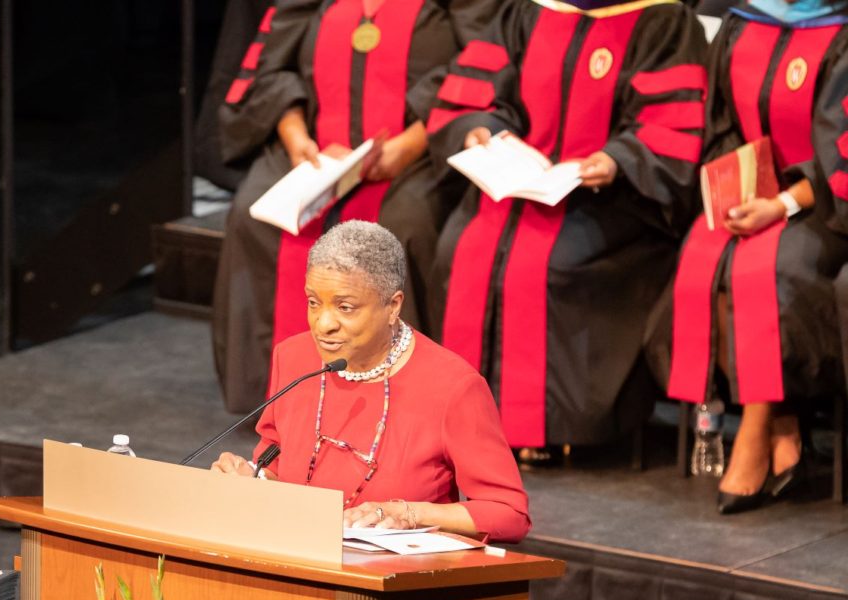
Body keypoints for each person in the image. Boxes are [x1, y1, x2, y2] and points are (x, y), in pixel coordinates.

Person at [423, 0, 708, 465]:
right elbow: (481, 94)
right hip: (519, 183)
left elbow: (672, 124)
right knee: (462, 246)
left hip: (612, 200)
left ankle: (547, 427)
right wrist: (481, 128)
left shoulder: (662, 19)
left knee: (558, 262)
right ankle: (465, 423)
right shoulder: (527, 10)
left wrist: (618, 158)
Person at [212, 0, 500, 413]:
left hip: (416, 152)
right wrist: (295, 137)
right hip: (315, 149)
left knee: (404, 225)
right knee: (253, 215)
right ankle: (279, 401)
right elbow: (271, 68)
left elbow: (480, 64)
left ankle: (404, 404)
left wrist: (412, 143)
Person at [211, 220, 531, 543]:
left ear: (393, 306)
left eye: (345, 307)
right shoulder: (293, 358)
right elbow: (274, 465)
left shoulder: (453, 387)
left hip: (395, 578)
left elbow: (509, 512)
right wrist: (251, 479)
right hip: (299, 560)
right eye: (313, 302)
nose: (323, 324)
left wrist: (408, 514)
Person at [650, 0, 848, 513]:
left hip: (824, 210)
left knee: (775, 267)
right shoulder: (745, 21)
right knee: (705, 253)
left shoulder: (840, 32)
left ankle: (756, 430)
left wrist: (782, 203)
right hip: (756, 198)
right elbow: (720, 124)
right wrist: (736, 192)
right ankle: (785, 429)